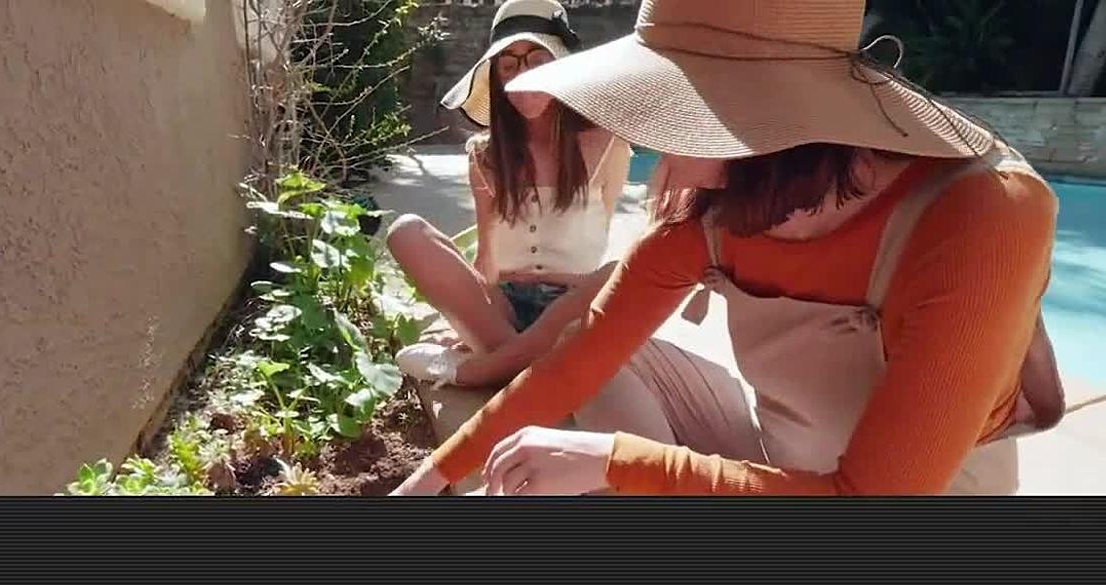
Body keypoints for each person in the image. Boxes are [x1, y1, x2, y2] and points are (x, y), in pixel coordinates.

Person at [391, 0, 1066, 496]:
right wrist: (430, 479)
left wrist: (615, 461)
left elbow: (871, 496)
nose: (656, 140)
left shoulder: (982, 215)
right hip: (782, 468)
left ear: (765, 120)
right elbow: (576, 362)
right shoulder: (718, 207)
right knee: (605, 353)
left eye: (672, 106)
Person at [388, 0, 632, 388]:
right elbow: (487, 257)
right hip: (504, 308)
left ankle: (485, 369)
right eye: (509, 65)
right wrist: (463, 319)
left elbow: (601, 231)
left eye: (538, 60)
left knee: (618, 273)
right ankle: (528, 366)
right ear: (497, 79)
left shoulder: (608, 144)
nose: (524, 75)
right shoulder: (485, 155)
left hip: (573, 307)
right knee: (406, 231)